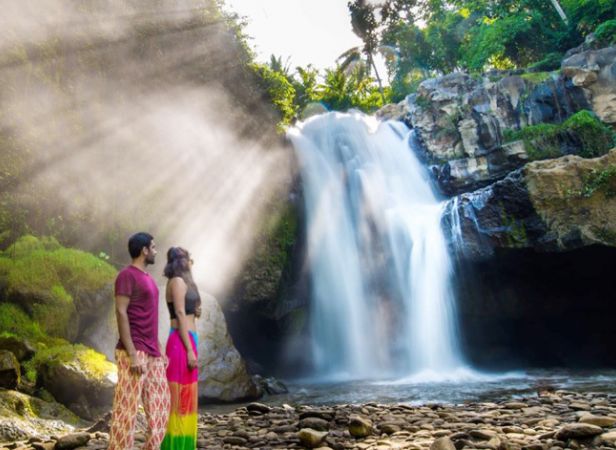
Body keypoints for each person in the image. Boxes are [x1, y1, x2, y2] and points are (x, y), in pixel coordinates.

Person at [108, 232, 170, 450]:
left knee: (161, 409)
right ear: (144, 250)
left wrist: (159, 348)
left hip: (152, 351)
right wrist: (133, 353)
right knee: (126, 411)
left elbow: (150, 316)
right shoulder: (126, 275)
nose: (155, 251)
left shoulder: (148, 279)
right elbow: (121, 312)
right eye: (153, 247)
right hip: (133, 351)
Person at [161, 247, 202, 450]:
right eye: (185, 258)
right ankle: (175, 446)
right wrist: (189, 350)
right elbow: (178, 312)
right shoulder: (176, 282)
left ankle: (186, 445)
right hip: (180, 342)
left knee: (188, 395)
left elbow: (186, 310)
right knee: (179, 397)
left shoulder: (184, 282)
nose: (188, 262)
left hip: (187, 340)